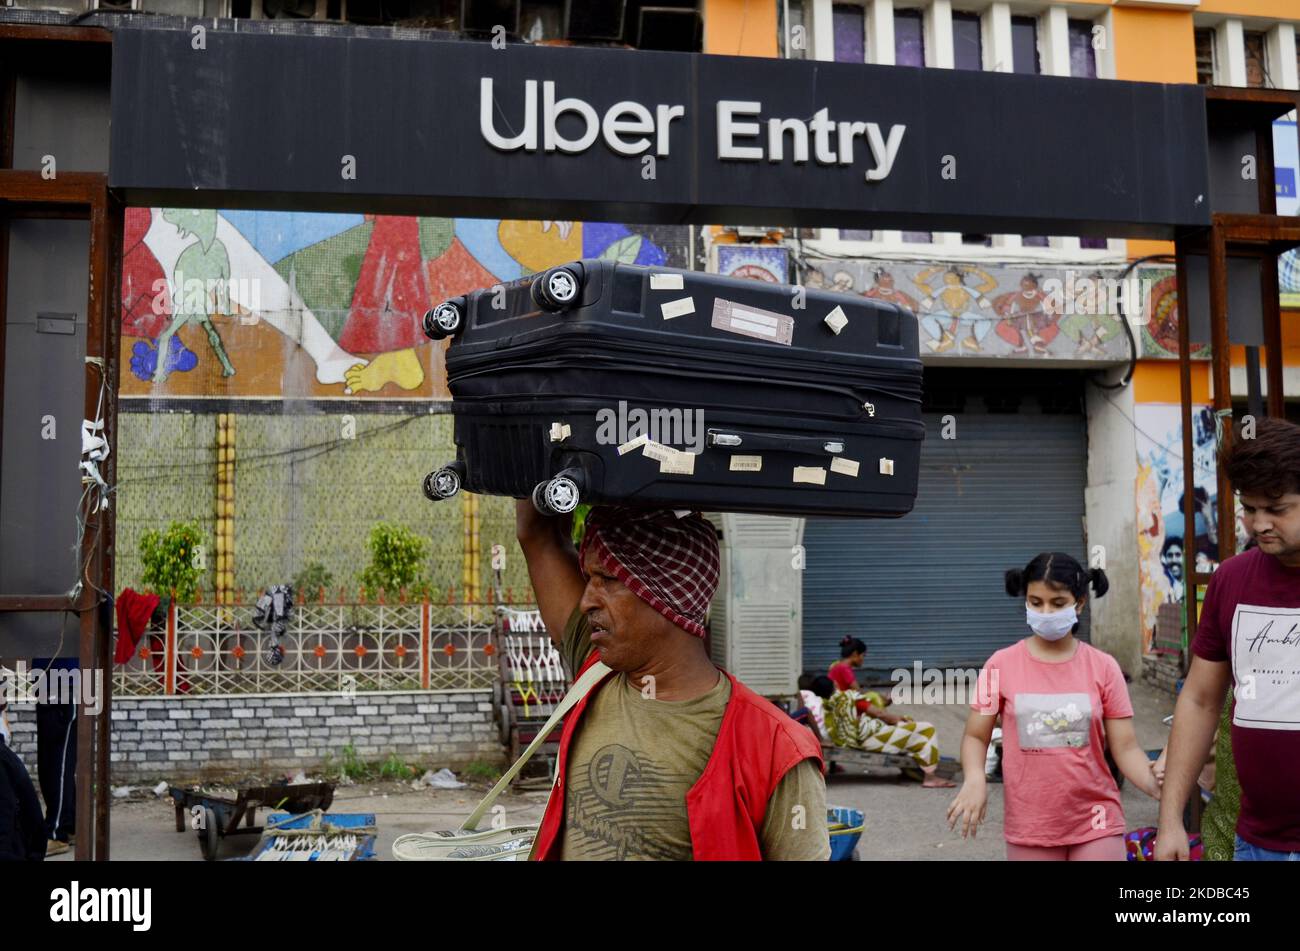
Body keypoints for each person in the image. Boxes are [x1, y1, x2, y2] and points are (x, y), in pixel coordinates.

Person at [516, 502, 829, 861]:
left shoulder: (777, 749)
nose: (587, 600)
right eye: (589, 580)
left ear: (665, 598)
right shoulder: (595, 675)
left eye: (609, 580)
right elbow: (538, 536)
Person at [947, 553, 1160, 860]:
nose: (1045, 612)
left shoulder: (1104, 667)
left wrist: (1156, 784)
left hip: (1097, 818)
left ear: (1080, 603)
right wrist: (974, 780)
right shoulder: (1001, 664)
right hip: (1032, 824)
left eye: (1057, 603)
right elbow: (976, 736)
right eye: (1035, 602)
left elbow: (1124, 748)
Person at [1156, 418, 1300, 861]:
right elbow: (1200, 700)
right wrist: (1170, 821)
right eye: (1248, 508)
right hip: (1256, 844)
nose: (1259, 524)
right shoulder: (1231, 580)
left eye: (1276, 509)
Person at [813, 671, 956, 788]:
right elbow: (880, 714)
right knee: (926, 729)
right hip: (870, 739)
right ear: (835, 685)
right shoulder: (849, 697)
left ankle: (916, 767)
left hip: (853, 741)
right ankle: (930, 777)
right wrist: (898, 718)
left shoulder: (826, 705)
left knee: (905, 730)